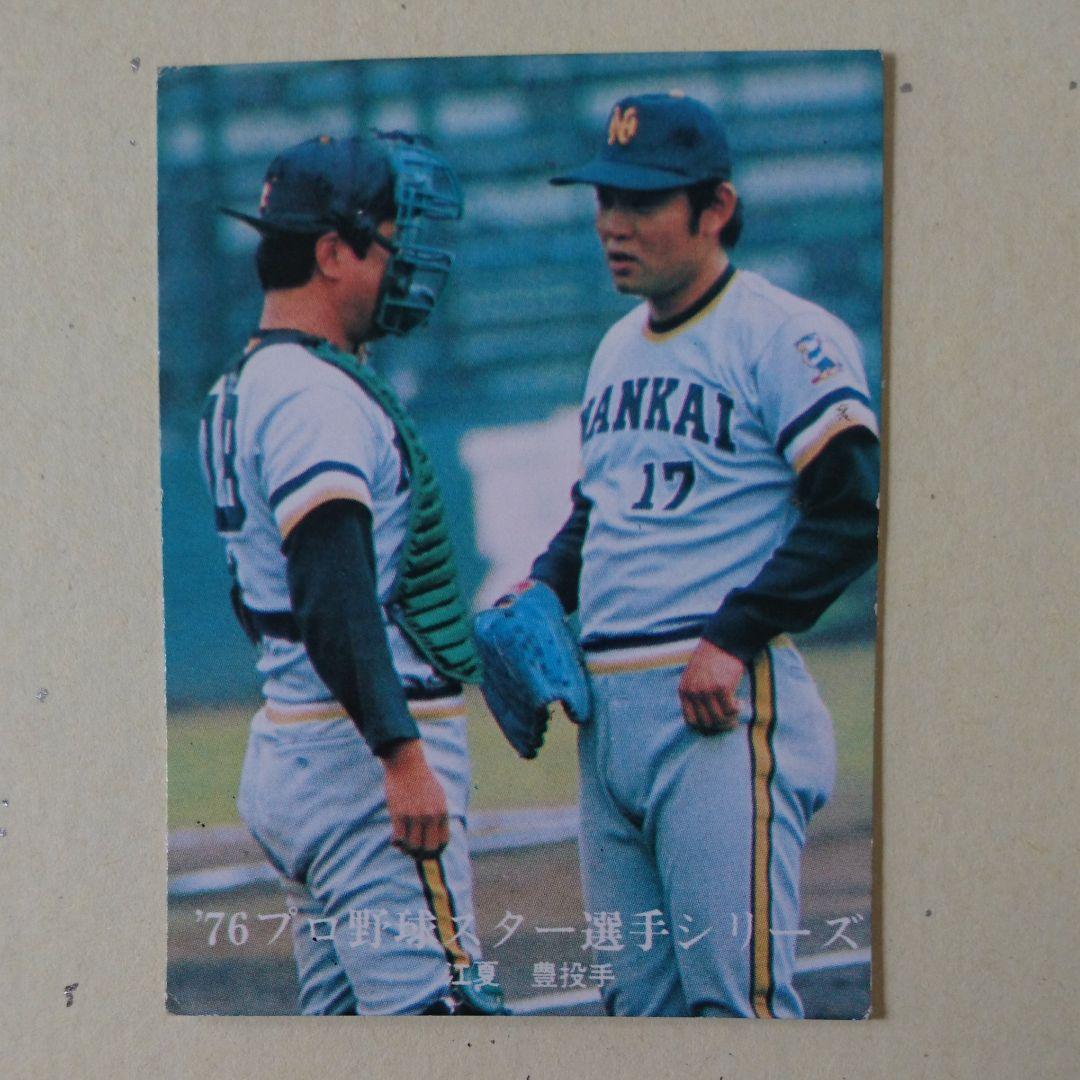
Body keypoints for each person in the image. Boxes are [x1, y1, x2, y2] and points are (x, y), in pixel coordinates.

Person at [505, 93, 880, 1017]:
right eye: (606, 199)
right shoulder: (614, 349)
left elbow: (853, 511)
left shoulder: (784, 335)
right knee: (640, 1013)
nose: (613, 224)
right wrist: (542, 586)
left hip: (714, 708)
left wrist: (737, 632)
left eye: (642, 201)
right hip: (608, 721)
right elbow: (601, 509)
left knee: (734, 1006)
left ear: (715, 208)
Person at [200, 132, 502, 1015]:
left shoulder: (247, 383)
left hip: (300, 737)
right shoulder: (313, 395)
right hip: (358, 765)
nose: (403, 266)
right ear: (332, 253)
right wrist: (401, 754)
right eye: (389, 244)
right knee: (443, 1024)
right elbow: (331, 595)